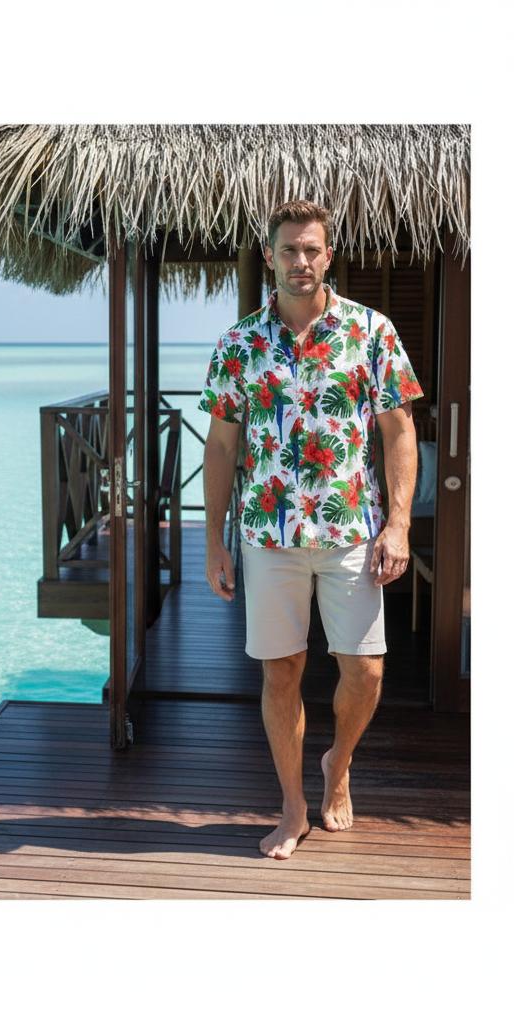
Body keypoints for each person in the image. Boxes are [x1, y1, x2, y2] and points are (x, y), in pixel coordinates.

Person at [198, 199, 422, 860]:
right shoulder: (239, 343)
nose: (302, 260)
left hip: (352, 530)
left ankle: (338, 763)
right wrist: (213, 541)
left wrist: (399, 524)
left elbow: (399, 432)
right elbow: (221, 447)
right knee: (282, 672)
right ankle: (293, 805)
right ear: (269, 256)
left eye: (312, 249)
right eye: (289, 249)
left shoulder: (372, 332)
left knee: (367, 670)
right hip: (268, 536)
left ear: (329, 255)